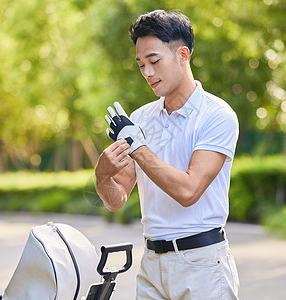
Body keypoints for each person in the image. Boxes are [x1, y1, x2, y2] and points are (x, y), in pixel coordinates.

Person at [94, 9, 240, 300]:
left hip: (202, 265)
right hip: (151, 265)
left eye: (154, 61)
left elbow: (188, 190)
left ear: (183, 55)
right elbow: (116, 199)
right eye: (141, 65)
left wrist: (138, 147)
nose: (147, 73)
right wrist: (102, 174)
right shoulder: (141, 119)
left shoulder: (217, 116)